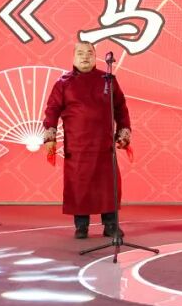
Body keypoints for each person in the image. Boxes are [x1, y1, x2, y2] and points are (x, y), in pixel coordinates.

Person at [42, 40, 131, 239]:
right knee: (79, 185)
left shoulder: (108, 80)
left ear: (95, 57)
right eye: (80, 53)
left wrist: (123, 132)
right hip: (77, 145)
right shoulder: (63, 83)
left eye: (89, 53)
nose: (85, 57)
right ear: (74, 57)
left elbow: (120, 108)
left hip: (104, 145)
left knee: (107, 186)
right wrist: (50, 136)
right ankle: (81, 226)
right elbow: (52, 110)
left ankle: (110, 225)